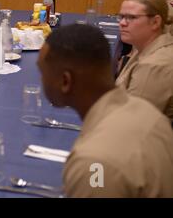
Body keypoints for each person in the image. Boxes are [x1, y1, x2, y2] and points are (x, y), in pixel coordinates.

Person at [37, 23, 173, 197]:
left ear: (65, 81)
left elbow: (97, 182)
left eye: (42, 72)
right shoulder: (148, 111)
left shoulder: (95, 163)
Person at [115, 0, 173, 121]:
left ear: (155, 22)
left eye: (132, 17)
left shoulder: (154, 66)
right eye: (121, 17)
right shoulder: (147, 47)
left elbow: (132, 123)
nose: (122, 23)